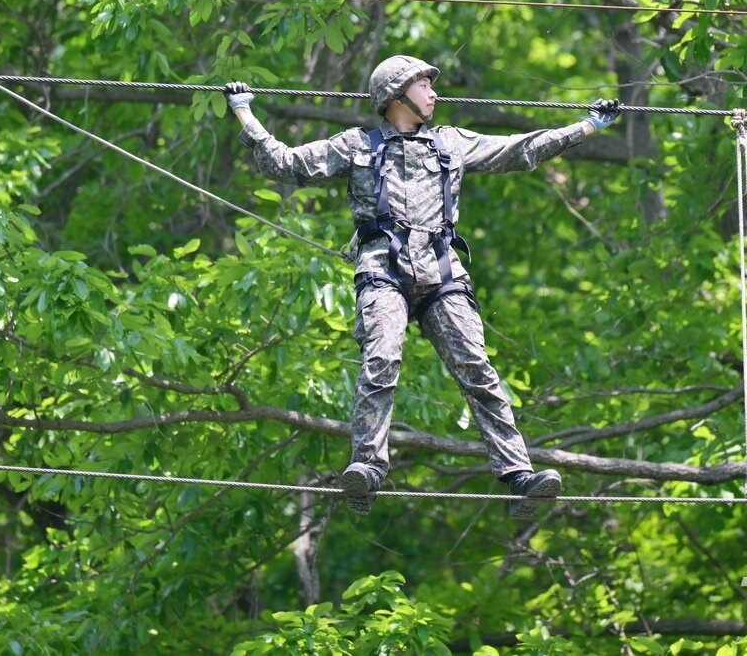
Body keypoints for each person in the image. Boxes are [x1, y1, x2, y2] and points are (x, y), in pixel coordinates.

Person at [225, 56, 619, 518]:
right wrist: (244, 113)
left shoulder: (451, 143)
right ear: (395, 96)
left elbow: (521, 148)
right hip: (383, 271)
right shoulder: (357, 145)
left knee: (476, 367)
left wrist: (588, 126)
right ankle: (366, 468)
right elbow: (286, 164)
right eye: (424, 86)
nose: (434, 94)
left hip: (442, 275)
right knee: (382, 358)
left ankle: (519, 477)